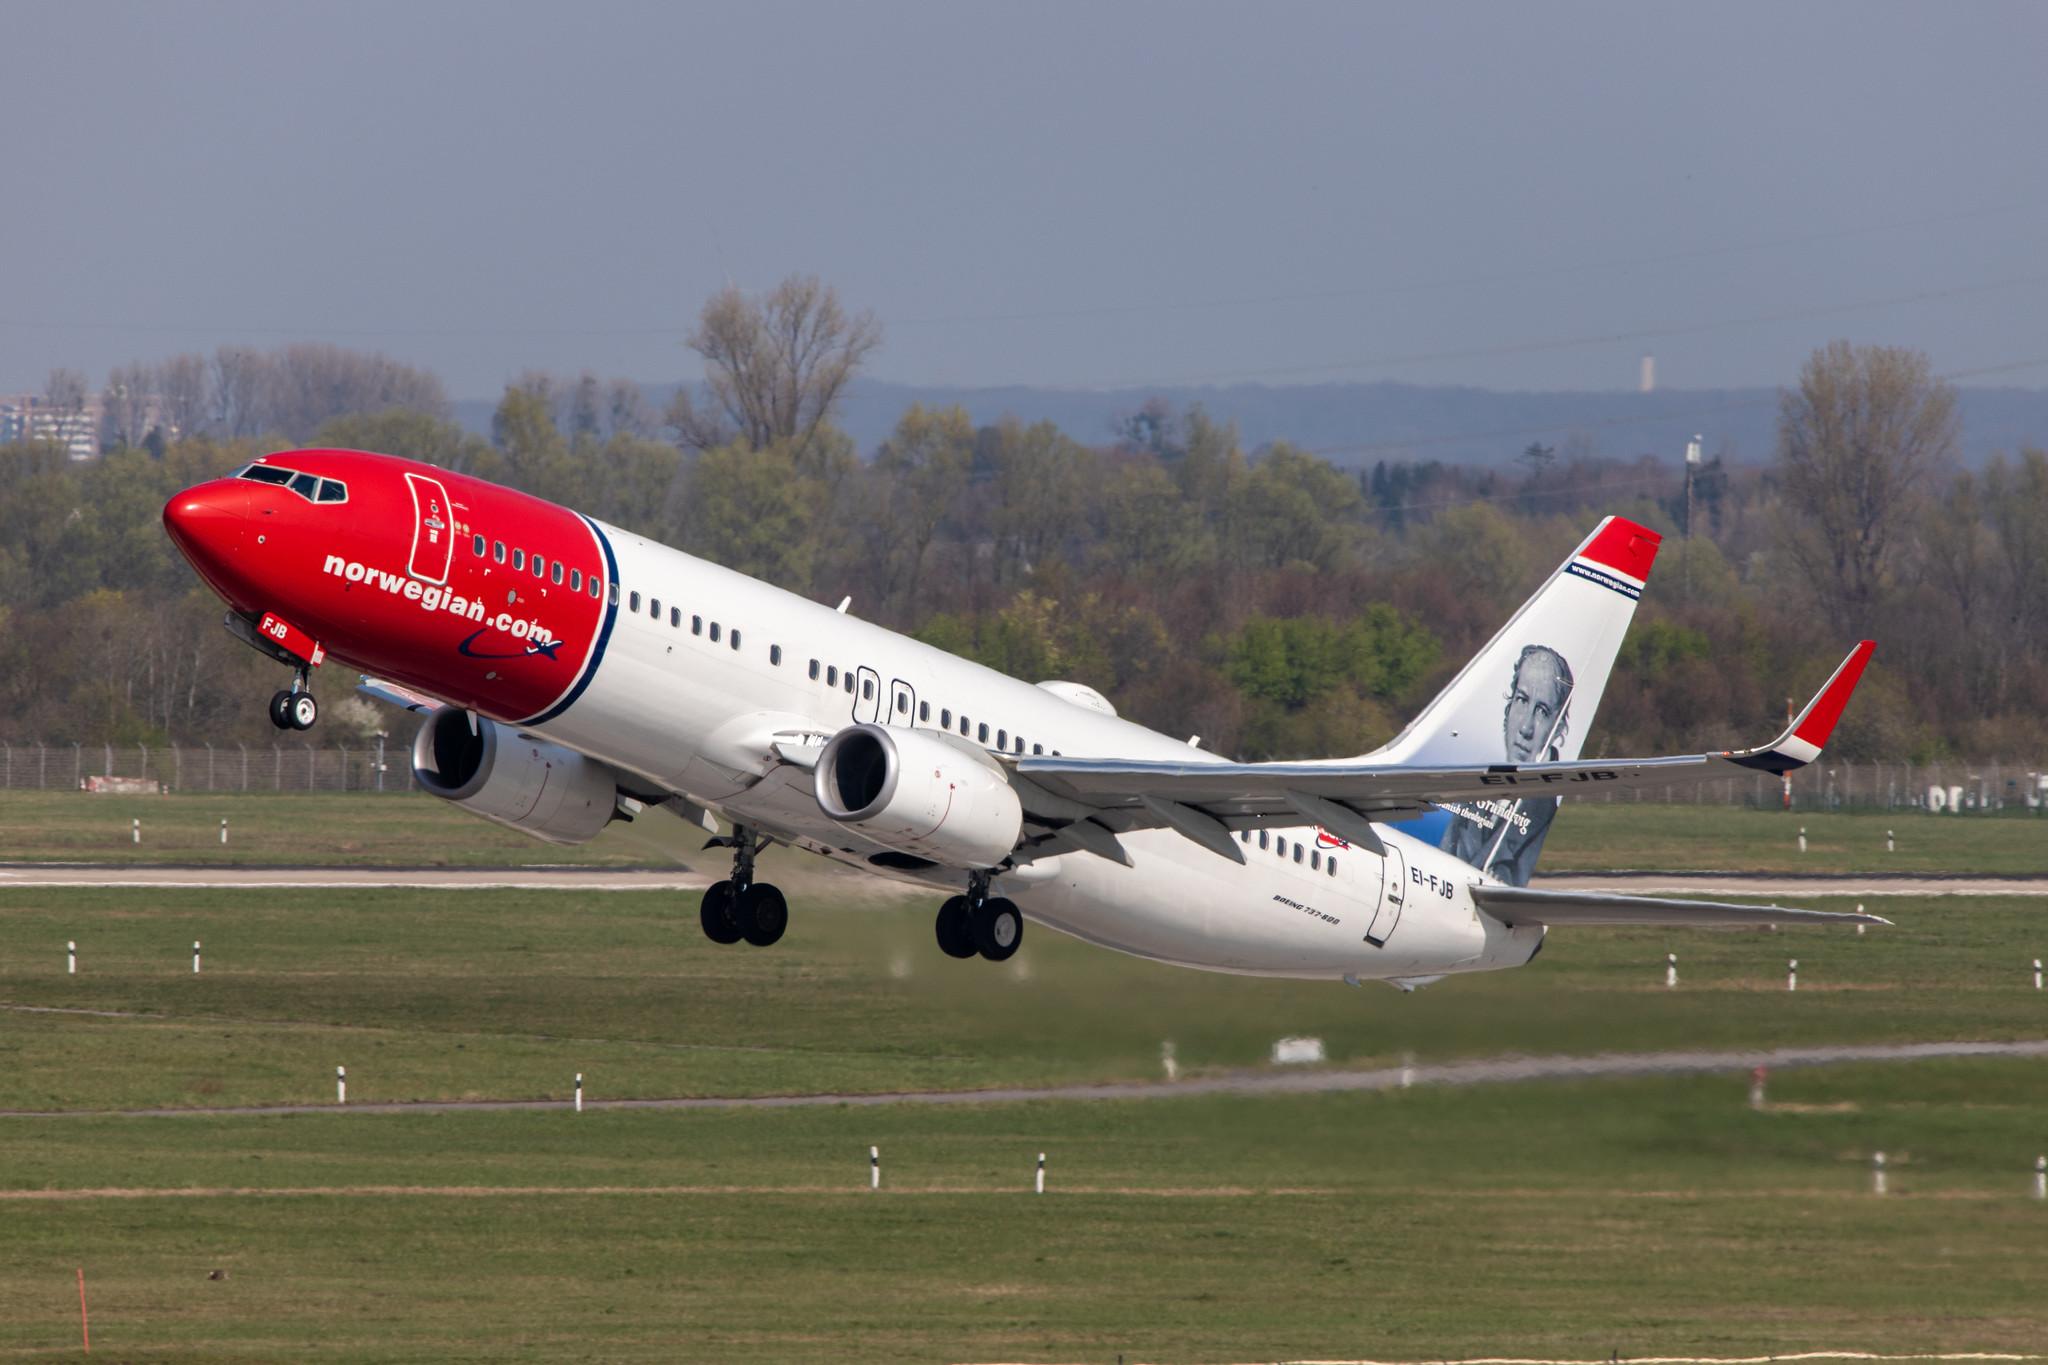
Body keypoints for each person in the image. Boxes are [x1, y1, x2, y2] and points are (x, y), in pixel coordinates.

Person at [1440, 643, 1574, 886]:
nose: (1525, 728)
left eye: (1542, 711)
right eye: (1522, 700)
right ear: (1509, 704)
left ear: (1559, 730)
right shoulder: (1473, 789)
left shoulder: (1538, 813)